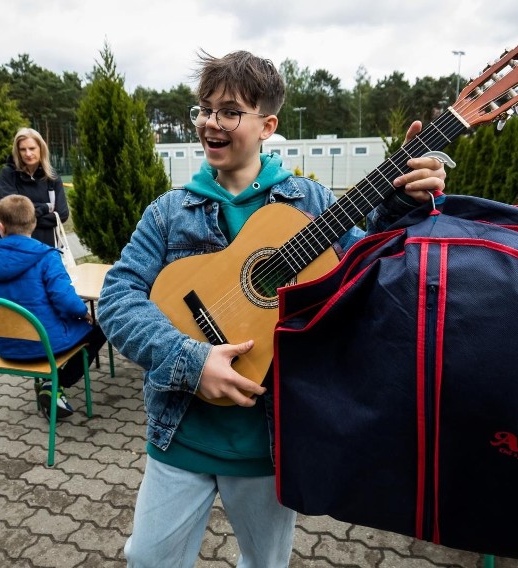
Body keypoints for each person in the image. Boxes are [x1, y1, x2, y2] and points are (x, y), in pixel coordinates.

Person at [97, 50, 446, 568]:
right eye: (204, 109)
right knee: (148, 560)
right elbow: (117, 298)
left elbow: (372, 269)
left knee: (265, 564)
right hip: (179, 436)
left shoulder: (308, 201)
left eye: (230, 111)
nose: (211, 123)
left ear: (268, 125)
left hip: (268, 444)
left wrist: (405, 205)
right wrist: (191, 361)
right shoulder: (169, 211)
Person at [0, 194, 106, 420]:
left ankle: (50, 383)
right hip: (44, 347)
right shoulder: (46, 256)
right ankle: (55, 383)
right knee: (101, 329)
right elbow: (66, 301)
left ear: (0, 226)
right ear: (35, 223)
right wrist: (83, 313)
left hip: (6, 346)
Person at [0, 127, 69, 247]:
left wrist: (25, 218)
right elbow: (12, 214)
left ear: (41, 148)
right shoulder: (9, 174)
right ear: (17, 151)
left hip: (49, 247)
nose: (28, 154)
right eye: (22, 149)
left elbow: (62, 215)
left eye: (32, 148)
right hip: (19, 248)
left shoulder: (52, 176)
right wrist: (47, 208)